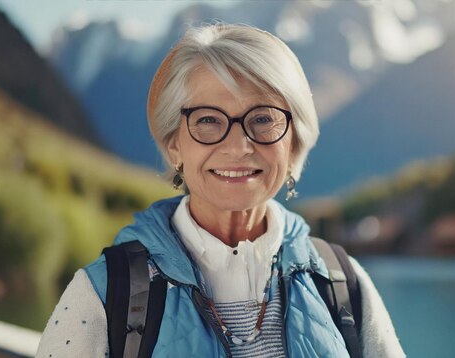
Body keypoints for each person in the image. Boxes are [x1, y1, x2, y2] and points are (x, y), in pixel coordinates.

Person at [36, 23, 405, 358]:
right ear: (175, 143)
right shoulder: (102, 294)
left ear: (293, 142)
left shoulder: (344, 284)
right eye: (209, 120)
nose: (239, 145)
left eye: (262, 119)